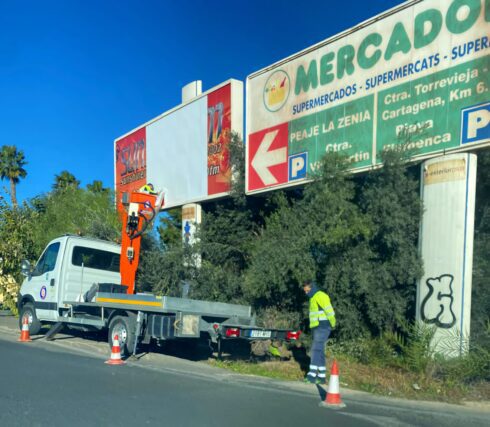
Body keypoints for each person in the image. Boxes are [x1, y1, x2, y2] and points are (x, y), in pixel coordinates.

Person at [303, 280, 336, 384]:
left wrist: (332, 323)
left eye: (307, 291)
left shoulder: (320, 295)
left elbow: (329, 310)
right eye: (305, 291)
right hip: (318, 327)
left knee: (315, 349)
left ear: (311, 288)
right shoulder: (313, 297)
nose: (306, 293)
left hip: (323, 326)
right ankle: (321, 377)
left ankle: (311, 375)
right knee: (320, 350)